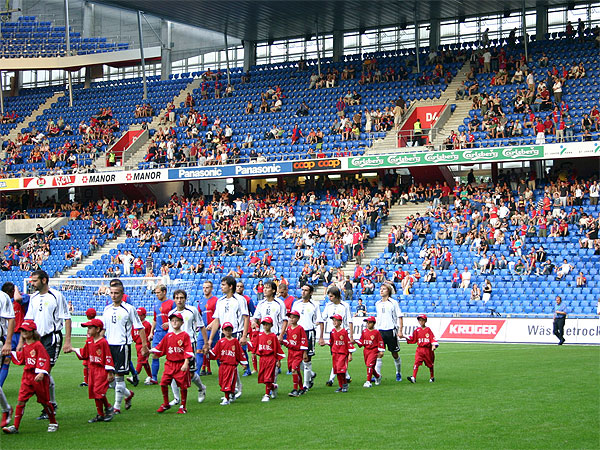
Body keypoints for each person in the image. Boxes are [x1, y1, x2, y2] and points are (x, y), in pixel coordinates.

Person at [23, 270, 72, 419]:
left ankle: (50, 406)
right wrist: (23, 341)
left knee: (44, 372)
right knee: (40, 372)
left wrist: (68, 341)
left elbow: (67, 318)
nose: (32, 283)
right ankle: (50, 405)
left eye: (35, 281)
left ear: (44, 280)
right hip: (37, 340)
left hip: (52, 338)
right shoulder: (33, 297)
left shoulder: (56, 296)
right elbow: (28, 320)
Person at [2, 320, 58, 434]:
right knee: (21, 401)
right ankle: (15, 426)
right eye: (22, 330)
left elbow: (44, 359)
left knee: (44, 401)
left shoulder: (38, 345)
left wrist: (41, 373)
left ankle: (53, 422)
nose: (24, 332)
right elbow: (21, 358)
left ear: (33, 332)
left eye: (26, 330)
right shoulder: (25, 345)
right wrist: (10, 353)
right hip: (27, 377)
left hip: (38, 378)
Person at [101, 279, 148, 414]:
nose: (113, 295)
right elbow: (103, 329)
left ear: (122, 294)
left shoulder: (129, 309)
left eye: (116, 293)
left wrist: (144, 345)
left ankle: (116, 406)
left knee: (119, 377)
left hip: (122, 346)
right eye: (112, 293)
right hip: (108, 346)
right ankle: (128, 394)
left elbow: (140, 327)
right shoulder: (107, 309)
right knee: (108, 379)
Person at [207, 276, 249, 400]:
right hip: (222, 335)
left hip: (235, 334)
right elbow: (216, 320)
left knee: (232, 363)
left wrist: (244, 336)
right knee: (223, 363)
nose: (221, 287)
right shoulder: (220, 301)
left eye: (224, 284)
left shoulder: (240, 300)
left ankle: (235, 388)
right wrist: (211, 339)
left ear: (230, 286)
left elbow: (246, 317)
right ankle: (233, 387)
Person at [166, 289, 207, 405]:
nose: (179, 300)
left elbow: (201, 326)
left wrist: (206, 343)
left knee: (190, 373)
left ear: (185, 299)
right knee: (173, 371)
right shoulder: (171, 313)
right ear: (174, 299)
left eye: (181, 298)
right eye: (177, 298)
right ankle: (176, 398)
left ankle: (201, 388)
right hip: (175, 346)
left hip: (189, 344)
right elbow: (170, 332)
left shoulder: (192, 310)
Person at [73, 318, 115, 423]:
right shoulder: (89, 341)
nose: (88, 330)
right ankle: (102, 413)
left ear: (97, 329)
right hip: (92, 369)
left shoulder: (103, 342)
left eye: (90, 328)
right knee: (94, 392)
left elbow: (108, 357)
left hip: (101, 370)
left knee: (98, 391)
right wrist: (73, 349)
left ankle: (107, 408)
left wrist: (110, 372)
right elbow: (84, 354)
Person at [150, 312, 193, 414]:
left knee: (183, 385)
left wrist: (186, 363)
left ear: (182, 323)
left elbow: (188, 350)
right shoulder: (168, 336)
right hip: (169, 364)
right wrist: (150, 351)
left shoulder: (185, 335)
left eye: (177, 320)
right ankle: (166, 403)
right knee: (163, 383)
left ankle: (183, 406)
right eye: (172, 321)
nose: (174, 322)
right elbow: (160, 348)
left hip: (180, 364)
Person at [291, 285, 323, 391]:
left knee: (307, 359)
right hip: (296, 333)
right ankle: (311, 374)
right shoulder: (296, 304)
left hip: (308, 332)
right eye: (302, 290)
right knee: (296, 358)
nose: (303, 292)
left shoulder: (314, 304)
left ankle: (306, 384)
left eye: (306, 290)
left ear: (311, 293)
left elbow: (320, 320)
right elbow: (291, 318)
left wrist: (320, 336)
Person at [319, 285, 353, 386]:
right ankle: (347, 376)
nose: (329, 298)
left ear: (337, 296)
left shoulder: (345, 306)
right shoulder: (328, 306)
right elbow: (322, 318)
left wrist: (351, 336)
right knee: (336, 356)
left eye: (331, 296)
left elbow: (350, 320)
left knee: (339, 356)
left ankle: (331, 379)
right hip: (333, 334)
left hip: (343, 334)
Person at [208, 322, 247, 406]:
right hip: (223, 365)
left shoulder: (235, 341)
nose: (228, 332)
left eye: (229, 330)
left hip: (231, 366)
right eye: (226, 330)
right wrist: (208, 352)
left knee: (227, 382)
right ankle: (232, 393)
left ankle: (227, 399)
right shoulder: (220, 342)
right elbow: (215, 353)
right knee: (222, 382)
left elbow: (239, 353)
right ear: (223, 331)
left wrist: (243, 363)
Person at [374, 283, 404, 382]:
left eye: (384, 289)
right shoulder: (377, 303)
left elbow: (400, 316)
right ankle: (377, 375)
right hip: (380, 331)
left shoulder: (393, 303)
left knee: (394, 354)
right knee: (379, 353)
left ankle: (398, 372)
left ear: (388, 291)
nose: (381, 290)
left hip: (391, 331)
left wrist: (400, 330)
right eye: (381, 289)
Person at [253, 317, 285, 402]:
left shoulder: (273, 336)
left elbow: (277, 349)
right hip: (262, 359)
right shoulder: (260, 335)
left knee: (268, 378)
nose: (265, 326)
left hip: (270, 358)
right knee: (263, 378)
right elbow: (255, 345)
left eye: (267, 324)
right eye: (264, 324)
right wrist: (254, 353)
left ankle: (267, 394)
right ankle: (274, 386)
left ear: (271, 325)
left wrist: (278, 360)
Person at [148, 284, 175, 384]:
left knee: (171, 356)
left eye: (158, 293)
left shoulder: (172, 303)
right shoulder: (156, 304)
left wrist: (169, 323)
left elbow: (177, 317)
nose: (157, 295)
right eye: (156, 293)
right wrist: (151, 332)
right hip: (158, 334)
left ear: (164, 292)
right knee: (155, 355)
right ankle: (154, 378)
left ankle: (172, 377)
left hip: (169, 333)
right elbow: (155, 319)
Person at [405, 314, 439, 383]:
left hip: (427, 350)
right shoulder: (417, 330)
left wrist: (434, 345)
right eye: (419, 320)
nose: (421, 322)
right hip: (420, 349)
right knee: (416, 362)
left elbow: (432, 338)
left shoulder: (428, 330)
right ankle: (413, 377)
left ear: (425, 321)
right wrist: (404, 336)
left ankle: (432, 377)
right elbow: (413, 338)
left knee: (430, 364)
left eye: (422, 320)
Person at [354, 316, 385, 388]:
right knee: (370, 366)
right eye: (367, 322)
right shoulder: (364, 331)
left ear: (374, 323)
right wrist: (356, 342)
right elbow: (362, 341)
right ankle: (378, 376)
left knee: (369, 365)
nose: (368, 324)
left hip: (373, 350)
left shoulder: (376, 332)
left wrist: (381, 350)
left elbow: (380, 341)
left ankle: (368, 381)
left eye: (370, 322)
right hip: (366, 350)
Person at [282, 311, 308, 397]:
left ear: (298, 319)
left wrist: (304, 353)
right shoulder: (289, 329)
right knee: (296, 370)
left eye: (293, 317)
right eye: (290, 317)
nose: (291, 319)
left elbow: (304, 341)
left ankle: (295, 389)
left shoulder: (300, 328)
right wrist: (284, 342)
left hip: (298, 352)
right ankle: (302, 388)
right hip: (291, 353)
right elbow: (288, 341)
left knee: (294, 370)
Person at [329, 314, 355, 393]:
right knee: (336, 370)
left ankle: (344, 384)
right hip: (335, 353)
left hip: (342, 353)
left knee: (341, 370)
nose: (334, 322)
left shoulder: (344, 332)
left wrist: (350, 354)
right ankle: (341, 386)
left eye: (336, 320)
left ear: (340, 322)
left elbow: (348, 342)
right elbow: (332, 342)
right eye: (333, 320)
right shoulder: (332, 331)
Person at [0, 288, 15, 428]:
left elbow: (11, 319)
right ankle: (6, 408)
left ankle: (6, 409)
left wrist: (8, 342)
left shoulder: (2, 297)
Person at [197, 281, 218, 376]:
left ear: (212, 288)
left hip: (214, 330)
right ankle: (196, 374)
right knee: (199, 351)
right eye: (204, 287)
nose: (205, 289)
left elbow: (218, 316)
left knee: (217, 353)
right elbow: (198, 316)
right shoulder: (201, 301)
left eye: (207, 287)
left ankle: (223, 372)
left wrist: (212, 324)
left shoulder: (216, 300)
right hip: (203, 331)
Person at [128, 308, 152, 386]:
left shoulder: (147, 324)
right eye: (137, 315)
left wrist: (147, 343)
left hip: (144, 344)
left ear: (144, 316)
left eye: (140, 315)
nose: (138, 317)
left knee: (140, 360)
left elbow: (150, 334)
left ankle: (135, 375)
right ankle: (150, 376)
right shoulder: (134, 325)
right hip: (137, 345)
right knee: (144, 362)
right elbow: (132, 334)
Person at [80, 308, 97, 387]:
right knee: (88, 364)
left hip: (90, 346)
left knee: (88, 364)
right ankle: (88, 381)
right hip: (90, 346)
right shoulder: (95, 324)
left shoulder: (93, 324)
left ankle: (88, 381)